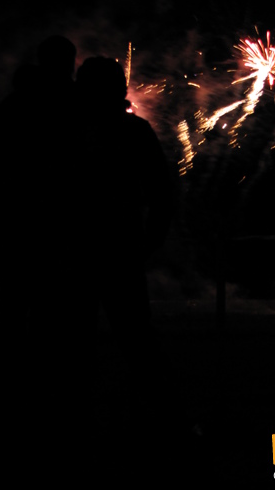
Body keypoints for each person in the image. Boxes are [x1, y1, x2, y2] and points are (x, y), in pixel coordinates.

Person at [0, 35, 78, 456]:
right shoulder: (73, 105)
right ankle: (48, 404)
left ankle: (8, 404)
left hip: (19, 224)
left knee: (16, 312)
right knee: (53, 316)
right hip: (56, 226)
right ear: (67, 63)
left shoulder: (13, 105)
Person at [70, 57, 177, 436]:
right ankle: (161, 416)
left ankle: (72, 415)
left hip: (75, 249)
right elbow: (162, 194)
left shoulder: (61, 131)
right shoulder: (134, 131)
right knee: (135, 335)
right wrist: (150, 241)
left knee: (72, 338)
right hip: (119, 246)